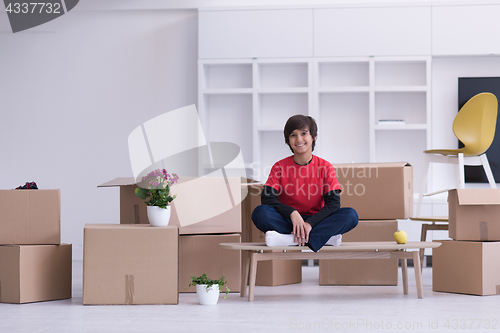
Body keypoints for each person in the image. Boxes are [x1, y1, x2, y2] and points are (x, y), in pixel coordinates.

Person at [251, 114, 358, 252]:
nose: (299, 139)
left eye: (303, 133)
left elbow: (333, 204)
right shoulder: (279, 166)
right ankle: (323, 237)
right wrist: (292, 213)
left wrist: (309, 223)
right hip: (288, 220)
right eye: (293, 135)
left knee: (351, 215)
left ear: (314, 137)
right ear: (288, 140)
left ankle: (289, 239)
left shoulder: (325, 167)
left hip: (317, 220)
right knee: (260, 213)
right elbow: (267, 198)